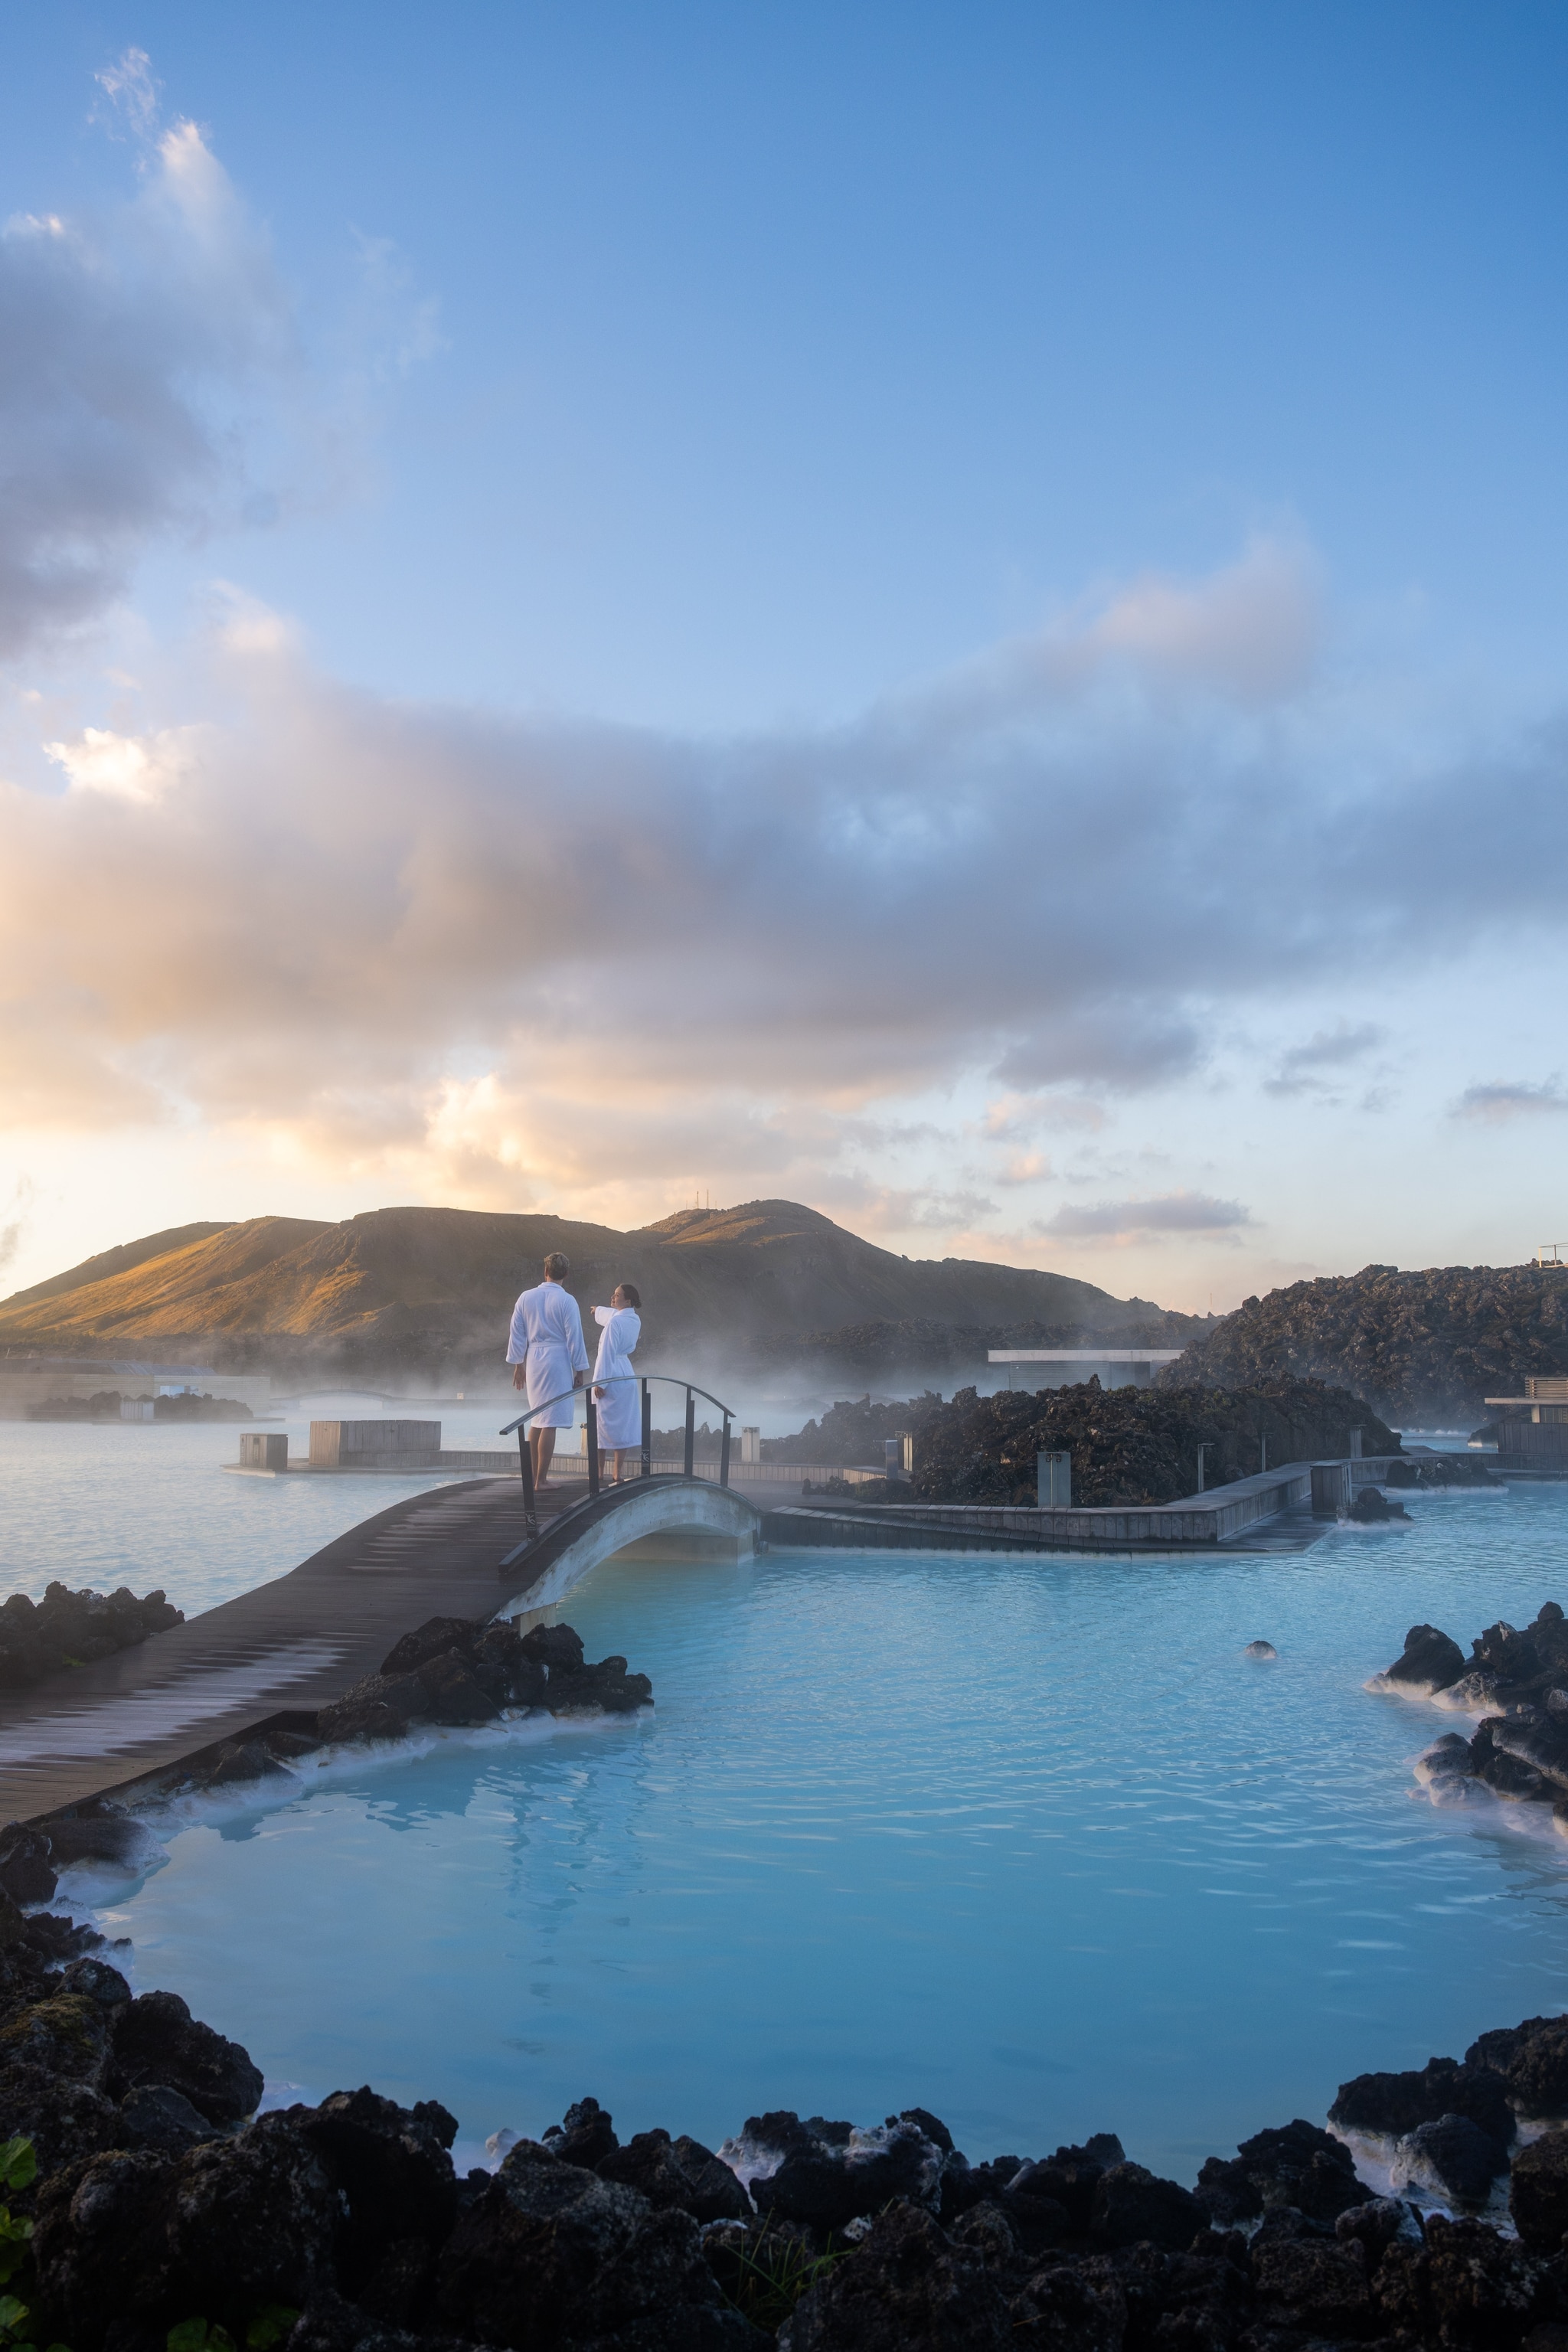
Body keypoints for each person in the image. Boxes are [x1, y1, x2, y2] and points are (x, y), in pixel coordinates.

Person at [507, 1252, 590, 1488]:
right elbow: (575, 1337)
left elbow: (517, 1332)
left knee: (537, 1418)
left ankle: (534, 1477)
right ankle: (541, 1480)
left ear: (545, 1272)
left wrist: (518, 1364)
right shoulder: (566, 1301)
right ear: (566, 1274)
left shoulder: (526, 1297)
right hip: (557, 1361)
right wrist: (580, 1369)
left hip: (533, 1359)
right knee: (550, 1420)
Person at [590, 1283, 642, 1481]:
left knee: (600, 1424)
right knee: (622, 1425)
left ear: (627, 1300)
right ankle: (617, 1473)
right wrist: (597, 1311)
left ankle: (598, 1472)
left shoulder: (614, 1324)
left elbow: (606, 1353)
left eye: (617, 1295)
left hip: (610, 1374)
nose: (613, 1297)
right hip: (626, 1375)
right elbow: (612, 1315)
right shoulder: (634, 1319)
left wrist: (600, 1383)